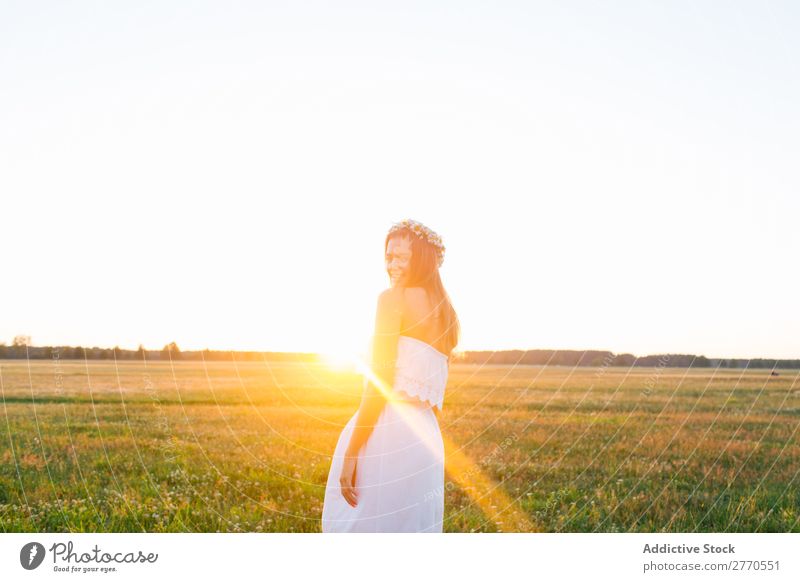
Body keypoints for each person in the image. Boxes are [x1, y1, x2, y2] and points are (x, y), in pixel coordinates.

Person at [321, 219, 460, 532]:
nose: (392, 264)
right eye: (388, 256)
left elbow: (380, 380)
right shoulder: (446, 312)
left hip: (385, 431)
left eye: (402, 257)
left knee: (357, 526)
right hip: (425, 438)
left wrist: (353, 450)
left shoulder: (391, 300)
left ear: (423, 258)